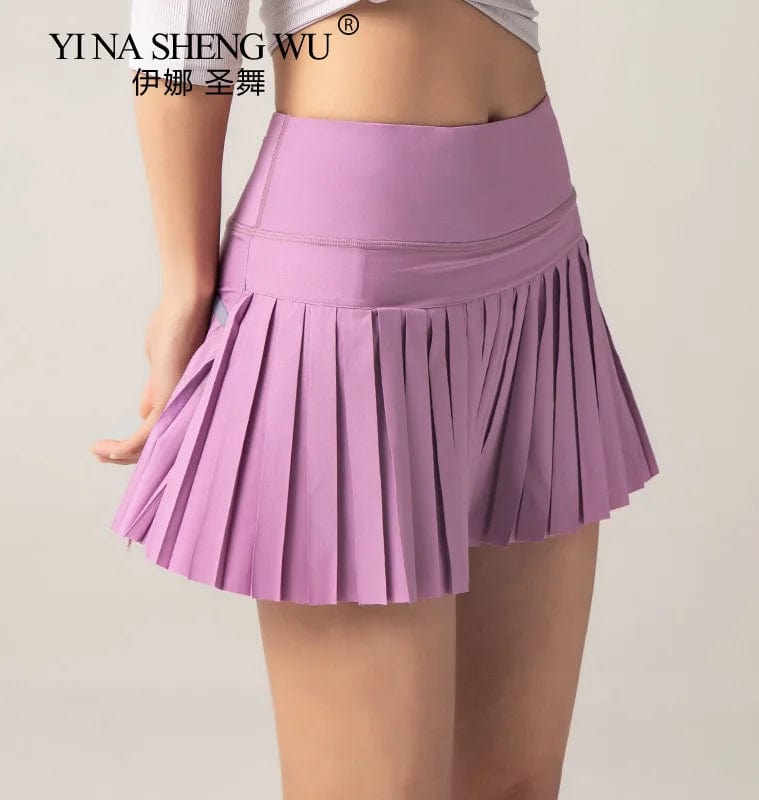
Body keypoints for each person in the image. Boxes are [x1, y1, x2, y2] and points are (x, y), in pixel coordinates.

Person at [92, 1, 659, 797]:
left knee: (514, 787)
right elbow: (182, 23)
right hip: (354, 266)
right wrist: (185, 286)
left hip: (537, 243)